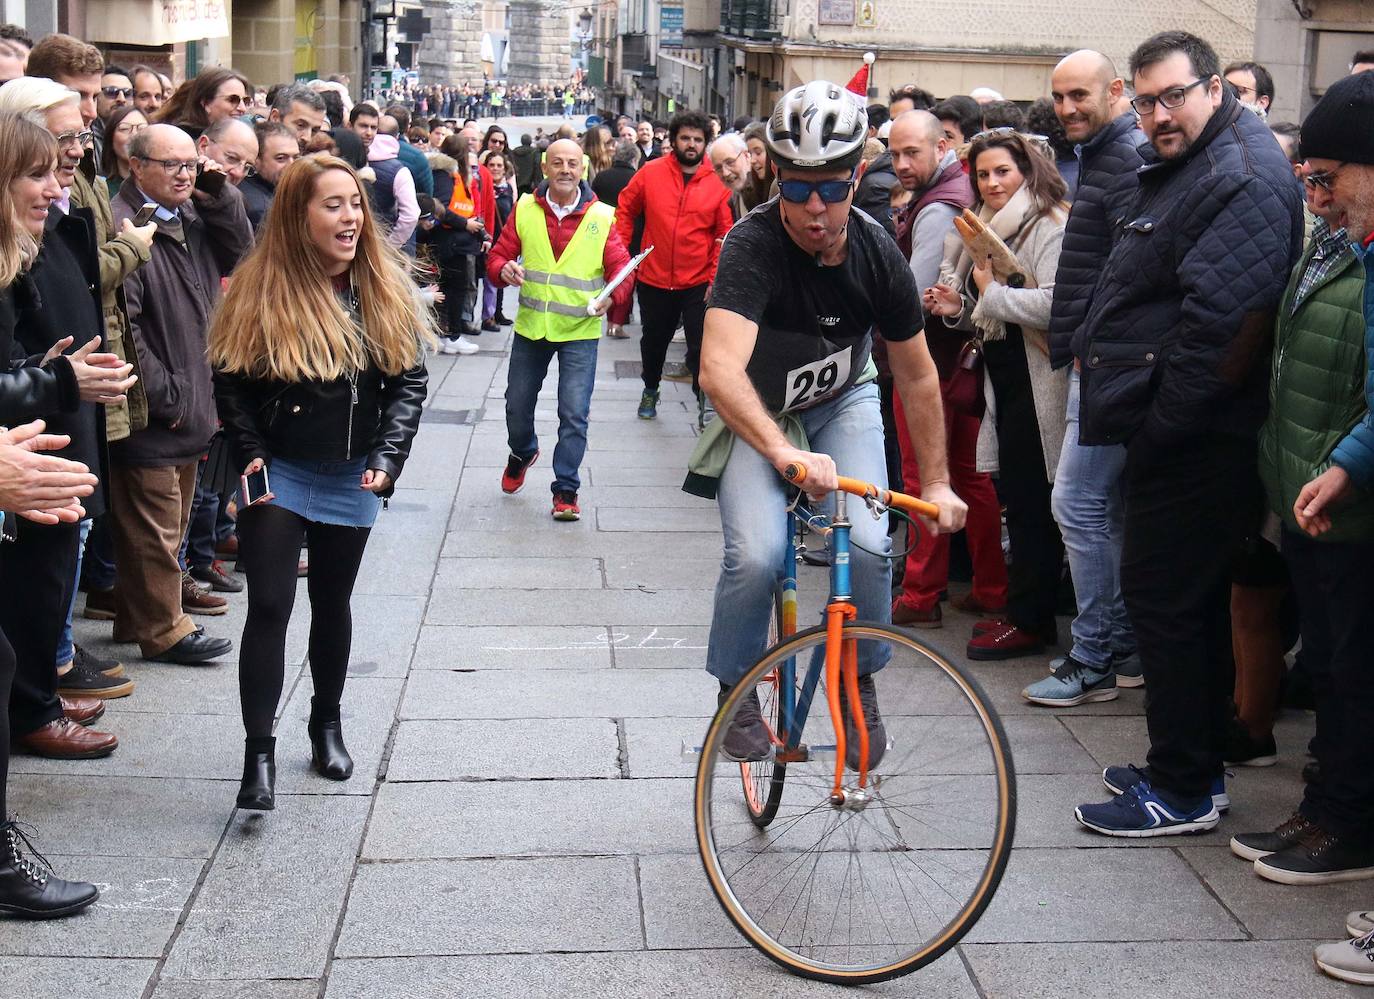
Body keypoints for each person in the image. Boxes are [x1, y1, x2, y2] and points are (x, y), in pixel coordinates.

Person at [1072, 31, 1302, 838]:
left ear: (1213, 87)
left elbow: (1225, 330)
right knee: (1183, 604)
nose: (1159, 116)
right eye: (1145, 102)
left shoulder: (1238, 171)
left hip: (1199, 435)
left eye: (1173, 96)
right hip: (1180, 427)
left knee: (1168, 602)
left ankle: (1183, 787)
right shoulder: (1206, 157)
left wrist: (1158, 425)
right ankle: (1189, 762)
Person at [694, 82, 966, 761]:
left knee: (874, 544)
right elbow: (718, 371)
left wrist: (937, 482)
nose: (816, 207)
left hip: (844, 397)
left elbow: (917, 371)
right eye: (797, 189)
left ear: (855, 178)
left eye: (833, 188)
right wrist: (784, 452)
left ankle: (860, 674)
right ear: (775, 178)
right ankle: (735, 686)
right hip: (760, 410)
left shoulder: (878, 253)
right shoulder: (750, 247)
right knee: (755, 555)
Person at [211, 154, 431, 811]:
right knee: (271, 605)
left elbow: (407, 381)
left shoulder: (381, 285)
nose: (350, 218)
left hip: (352, 469)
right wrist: (248, 451)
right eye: (333, 205)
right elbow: (231, 381)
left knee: (332, 602)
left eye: (355, 204)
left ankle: (325, 722)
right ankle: (258, 754)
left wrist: (388, 458)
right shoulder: (264, 286)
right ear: (298, 216)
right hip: (278, 466)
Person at [0, 105, 136, 761]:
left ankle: (34, 698)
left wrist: (50, 373)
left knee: (44, 579)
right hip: (22, 456)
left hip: (39, 444)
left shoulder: (28, 246)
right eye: (37, 172)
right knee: (29, 588)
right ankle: (32, 704)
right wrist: (56, 380)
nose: (55, 187)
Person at [1023, 49, 1146, 707]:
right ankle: (1117, 647)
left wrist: (1091, 342)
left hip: (1109, 365)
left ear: (1116, 90)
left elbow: (1133, 268)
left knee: (1076, 503)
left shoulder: (1124, 158)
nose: (1067, 108)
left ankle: (1095, 655)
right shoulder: (1106, 153)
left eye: (1080, 95)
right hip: (1102, 358)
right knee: (1105, 508)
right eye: (1059, 96)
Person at [109, 123, 253, 665]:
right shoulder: (128, 225)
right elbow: (128, 330)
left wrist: (220, 195)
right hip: (160, 408)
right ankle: (165, 629)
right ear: (136, 165)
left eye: (190, 164)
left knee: (169, 520)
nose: (183, 174)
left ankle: (135, 617)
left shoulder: (191, 212)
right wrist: (167, 396)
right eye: (170, 165)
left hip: (193, 399)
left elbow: (243, 252)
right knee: (155, 527)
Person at [924, 130, 1069, 661]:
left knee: (1035, 506)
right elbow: (993, 318)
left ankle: (1031, 621)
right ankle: (1024, 613)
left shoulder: (1051, 225)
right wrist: (958, 309)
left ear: (1026, 170)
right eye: (982, 174)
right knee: (1022, 502)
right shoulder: (984, 229)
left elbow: (1057, 306)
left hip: (1042, 387)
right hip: (1008, 384)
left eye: (1002, 171)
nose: (991, 182)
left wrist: (990, 295)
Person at [883, 110, 1002, 629]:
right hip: (962, 362)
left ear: (942, 146)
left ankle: (919, 595)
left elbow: (907, 297)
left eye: (913, 153)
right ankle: (992, 588)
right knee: (969, 477)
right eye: (895, 154)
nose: (902, 164)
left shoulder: (936, 208)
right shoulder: (953, 193)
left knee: (922, 478)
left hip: (929, 365)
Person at [487, 138, 633, 521]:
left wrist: (611, 298)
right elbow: (498, 256)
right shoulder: (524, 209)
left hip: (579, 331)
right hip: (532, 328)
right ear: (545, 168)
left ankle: (565, 490)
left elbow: (622, 271)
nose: (566, 170)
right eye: (558, 163)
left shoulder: (602, 216)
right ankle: (523, 451)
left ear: (583, 168)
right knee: (517, 405)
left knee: (574, 413)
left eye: (573, 163)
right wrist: (502, 269)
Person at [614, 109, 732, 418]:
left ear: (706, 143)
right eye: (685, 138)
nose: (691, 144)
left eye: (697, 139)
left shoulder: (717, 181)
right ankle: (650, 388)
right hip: (654, 277)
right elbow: (625, 207)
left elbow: (724, 233)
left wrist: (714, 277)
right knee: (654, 341)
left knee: (699, 345)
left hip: (697, 280)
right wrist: (623, 253)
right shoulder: (651, 172)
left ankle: (703, 402)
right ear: (674, 140)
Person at [424, 133, 485, 353]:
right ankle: (451, 335)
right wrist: (465, 224)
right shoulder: (446, 174)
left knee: (448, 287)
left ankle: (446, 335)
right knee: (453, 288)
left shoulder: (450, 174)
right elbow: (442, 208)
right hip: (452, 241)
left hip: (455, 240)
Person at [154, 66, 251, 140]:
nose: (242, 108)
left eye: (245, 101)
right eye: (232, 100)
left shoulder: (241, 137)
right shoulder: (178, 139)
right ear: (206, 103)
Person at [479, 149, 515, 330]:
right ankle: (488, 316)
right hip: (486, 239)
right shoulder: (482, 186)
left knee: (500, 276)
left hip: (503, 239)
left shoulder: (507, 188)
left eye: (499, 165)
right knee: (488, 280)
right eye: (491, 165)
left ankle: (497, 312)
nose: (495, 168)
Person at [241, 120, 299, 230]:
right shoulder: (260, 210)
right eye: (281, 158)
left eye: (296, 158)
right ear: (255, 161)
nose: (292, 165)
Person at [98, 104, 148, 197]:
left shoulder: (160, 187)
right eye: (124, 129)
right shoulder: (100, 189)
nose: (134, 135)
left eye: (141, 128)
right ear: (110, 138)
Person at [197, 116, 258, 187]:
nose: (238, 173)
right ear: (203, 146)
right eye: (232, 158)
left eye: (247, 167)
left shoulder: (238, 196)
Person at [268, 83, 327, 153]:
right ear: (275, 118)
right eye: (300, 125)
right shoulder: (252, 157)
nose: (307, 138)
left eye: (314, 130)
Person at [708, 132, 751, 219]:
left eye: (730, 162)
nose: (725, 173)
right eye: (718, 168)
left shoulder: (766, 190)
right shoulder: (734, 198)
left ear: (746, 156)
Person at [740, 122, 773, 212]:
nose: (752, 160)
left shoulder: (784, 190)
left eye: (758, 153)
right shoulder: (749, 191)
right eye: (750, 154)